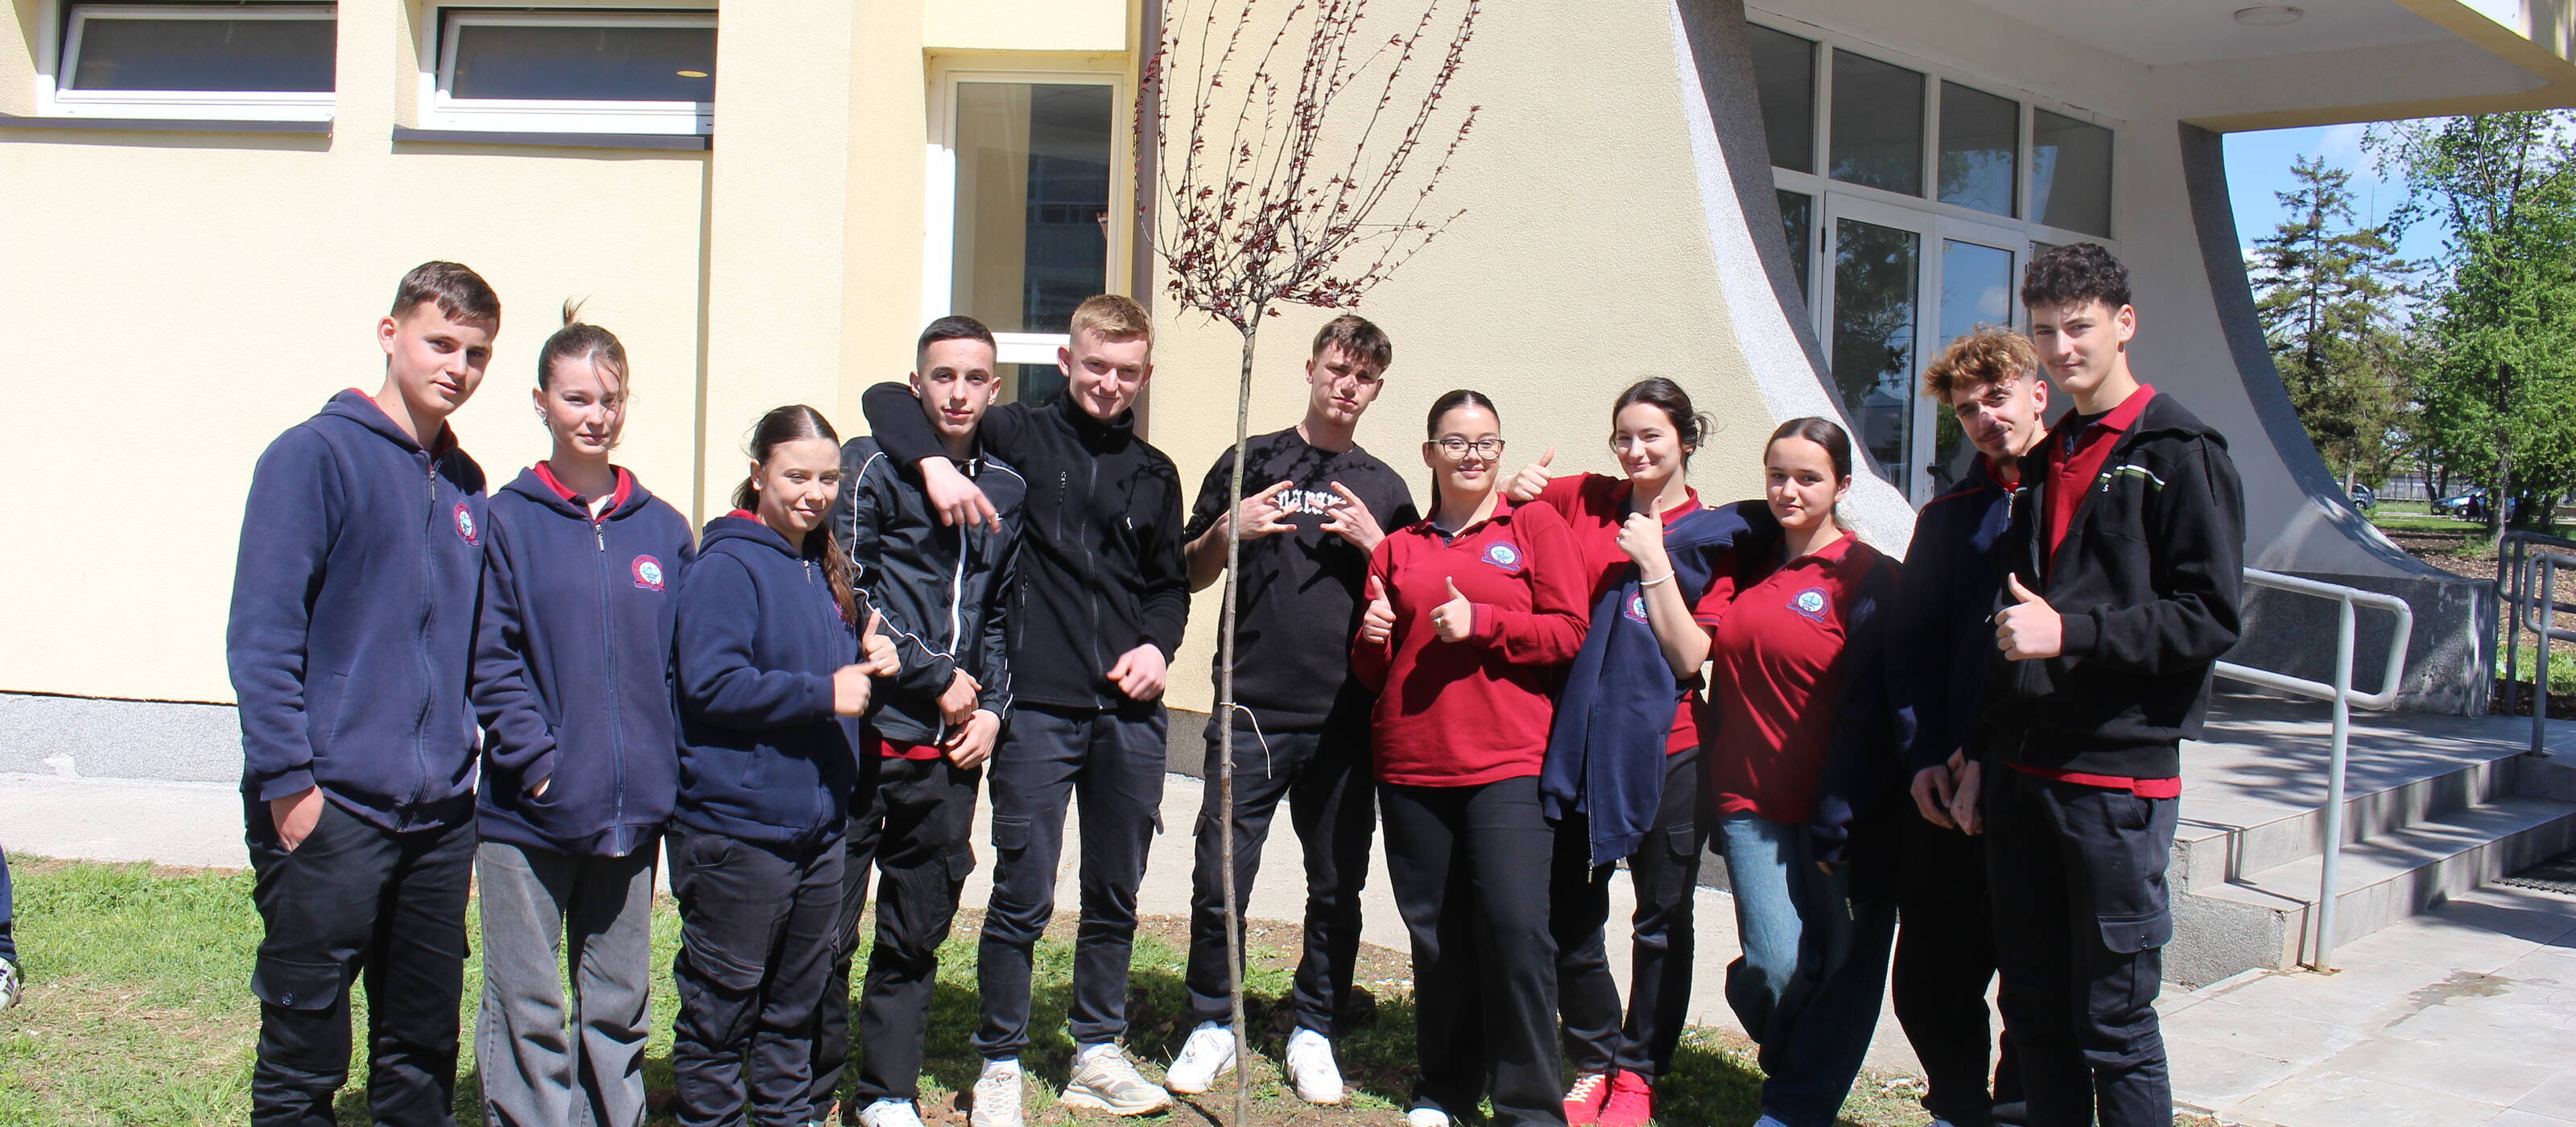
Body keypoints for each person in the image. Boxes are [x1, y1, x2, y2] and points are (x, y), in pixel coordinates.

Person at [860, 294, 1190, 1124]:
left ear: (1144, 375)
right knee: (1023, 888)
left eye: (1126, 371)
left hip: (1127, 713)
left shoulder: (1154, 473)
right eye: (1094, 366)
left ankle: (1096, 1048)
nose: (1109, 383)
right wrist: (932, 464)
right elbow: (886, 401)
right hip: (1036, 709)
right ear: (1065, 364)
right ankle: (1000, 1054)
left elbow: (1167, 588)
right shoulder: (1015, 436)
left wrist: (1157, 646)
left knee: (1117, 888)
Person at [1975, 244, 2244, 1127]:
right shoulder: (2050, 454)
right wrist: (1982, 751)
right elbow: (2013, 624)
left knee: (2114, 1024)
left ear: (2122, 324)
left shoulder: (2178, 448)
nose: (2061, 348)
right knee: (2036, 1016)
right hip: (2025, 777)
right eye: (2045, 331)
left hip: (2113, 781)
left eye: (2078, 327)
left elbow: (2205, 616)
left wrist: (2072, 631)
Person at [227, 261, 499, 1127]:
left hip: (436, 815)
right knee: (305, 1036)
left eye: (477, 352)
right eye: (439, 342)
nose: (456, 365)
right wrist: (289, 781)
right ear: (391, 334)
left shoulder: (465, 484)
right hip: (330, 800)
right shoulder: (314, 454)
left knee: (421, 1042)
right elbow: (263, 632)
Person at [1502, 379, 1772, 1127]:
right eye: (1624, 435)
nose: (1636, 450)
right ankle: (1594, 1055)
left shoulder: (1716, 536)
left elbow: (1692, 657)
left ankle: (1639, 1071)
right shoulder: (1586, 498)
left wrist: (1654, 557)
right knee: (1571, 914)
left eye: (1652, 435)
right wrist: (1520, 486)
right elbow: (1507, 505)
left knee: (1660, 919)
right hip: (1576, 741)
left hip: (1671, 748)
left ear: (1686, 438)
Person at [1164, 316, 1418, 1104]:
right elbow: (1186, 567)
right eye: (1337, 369)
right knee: (1219, 874)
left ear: (1375, 388)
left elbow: (1408, 594)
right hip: (1250, 708)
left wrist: (1380, 544)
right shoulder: (1251, 458)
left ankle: (1314, 1026)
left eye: (1364, 377)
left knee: (1337, 881)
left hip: (1344, 714)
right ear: (1310, 367)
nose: (1347, 386)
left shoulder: (1383, 485)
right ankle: (1211, 1019)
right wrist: (1225, 531)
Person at [470, 304, 696, 1127]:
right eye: (575, 398)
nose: (594, 415)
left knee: (617, 998)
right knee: (527, 1002)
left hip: (632, 812)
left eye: (609, 397)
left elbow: (680, 667)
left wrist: (663, 766)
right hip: (528, 811)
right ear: (540, 402)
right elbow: (488, 654)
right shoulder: (506, 519)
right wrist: (537, 759)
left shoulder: (663, 529)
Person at [810, 317, 1026, 1127]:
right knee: (828, 934)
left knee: (913, 931)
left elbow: (1000, 616)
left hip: (949, 753)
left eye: (974, 377)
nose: (959, 392)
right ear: (917, 385)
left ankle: (886, 1091)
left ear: (995, 389)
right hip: (863, 740)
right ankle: (807, 1085)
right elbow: (849, 585)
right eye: (943, 376)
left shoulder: (1008, 487)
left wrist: (994, 710)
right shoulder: (870, 467)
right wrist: (936, 676)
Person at [1353, 390, 1589, 1127]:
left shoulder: (1533, 526)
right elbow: (1372, 672)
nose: (1472, 455)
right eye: (1455, 442)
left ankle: (1528, 1106)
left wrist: (1484, 622)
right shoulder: (1399, 547)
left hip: (1508, 760)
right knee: (1437, 935)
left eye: (1486, 442)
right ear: (1429, 454)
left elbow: (1570, 630)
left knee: (1518, 930)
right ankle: (1445, 1088)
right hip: (1412, 763)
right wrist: (1370, 636)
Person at [667, 405, 895, 1127]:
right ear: (759, 470)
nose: (815, 492)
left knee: (794, 1008)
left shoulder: (818, 565)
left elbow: (826, 673)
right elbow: (710, 683)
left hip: (817, 830)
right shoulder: (729, 565)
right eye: (797, 475)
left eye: (829, 478)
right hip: (739, 831)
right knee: (721, 1012)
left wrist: (867, 660)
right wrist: (822, 692)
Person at [1707, 417, 1902, 1127]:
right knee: (1776, 966)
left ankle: (1794, 1108)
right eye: (1778, 475)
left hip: (1836, 812)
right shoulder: (1746, 560)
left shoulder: (1867, 576)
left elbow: (1885, 704)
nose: (1789, 490)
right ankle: (1790, 1048)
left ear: (1842, 485)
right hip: (1747, 802)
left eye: (1809, 477)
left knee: (1843, 969)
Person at [1885, 327, 2045, 1127]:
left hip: (2038, 775)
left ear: (2035, 393)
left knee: (2036, 969)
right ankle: (1955, 1103)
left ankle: (2019, 1101)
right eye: (1966, 409)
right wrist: (1921, 755)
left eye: (1996, 397)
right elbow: (1910, 642)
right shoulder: (1949, 514)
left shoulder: (2078, 499)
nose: (1984, 417)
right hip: (1946, 784)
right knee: (1927, 975)